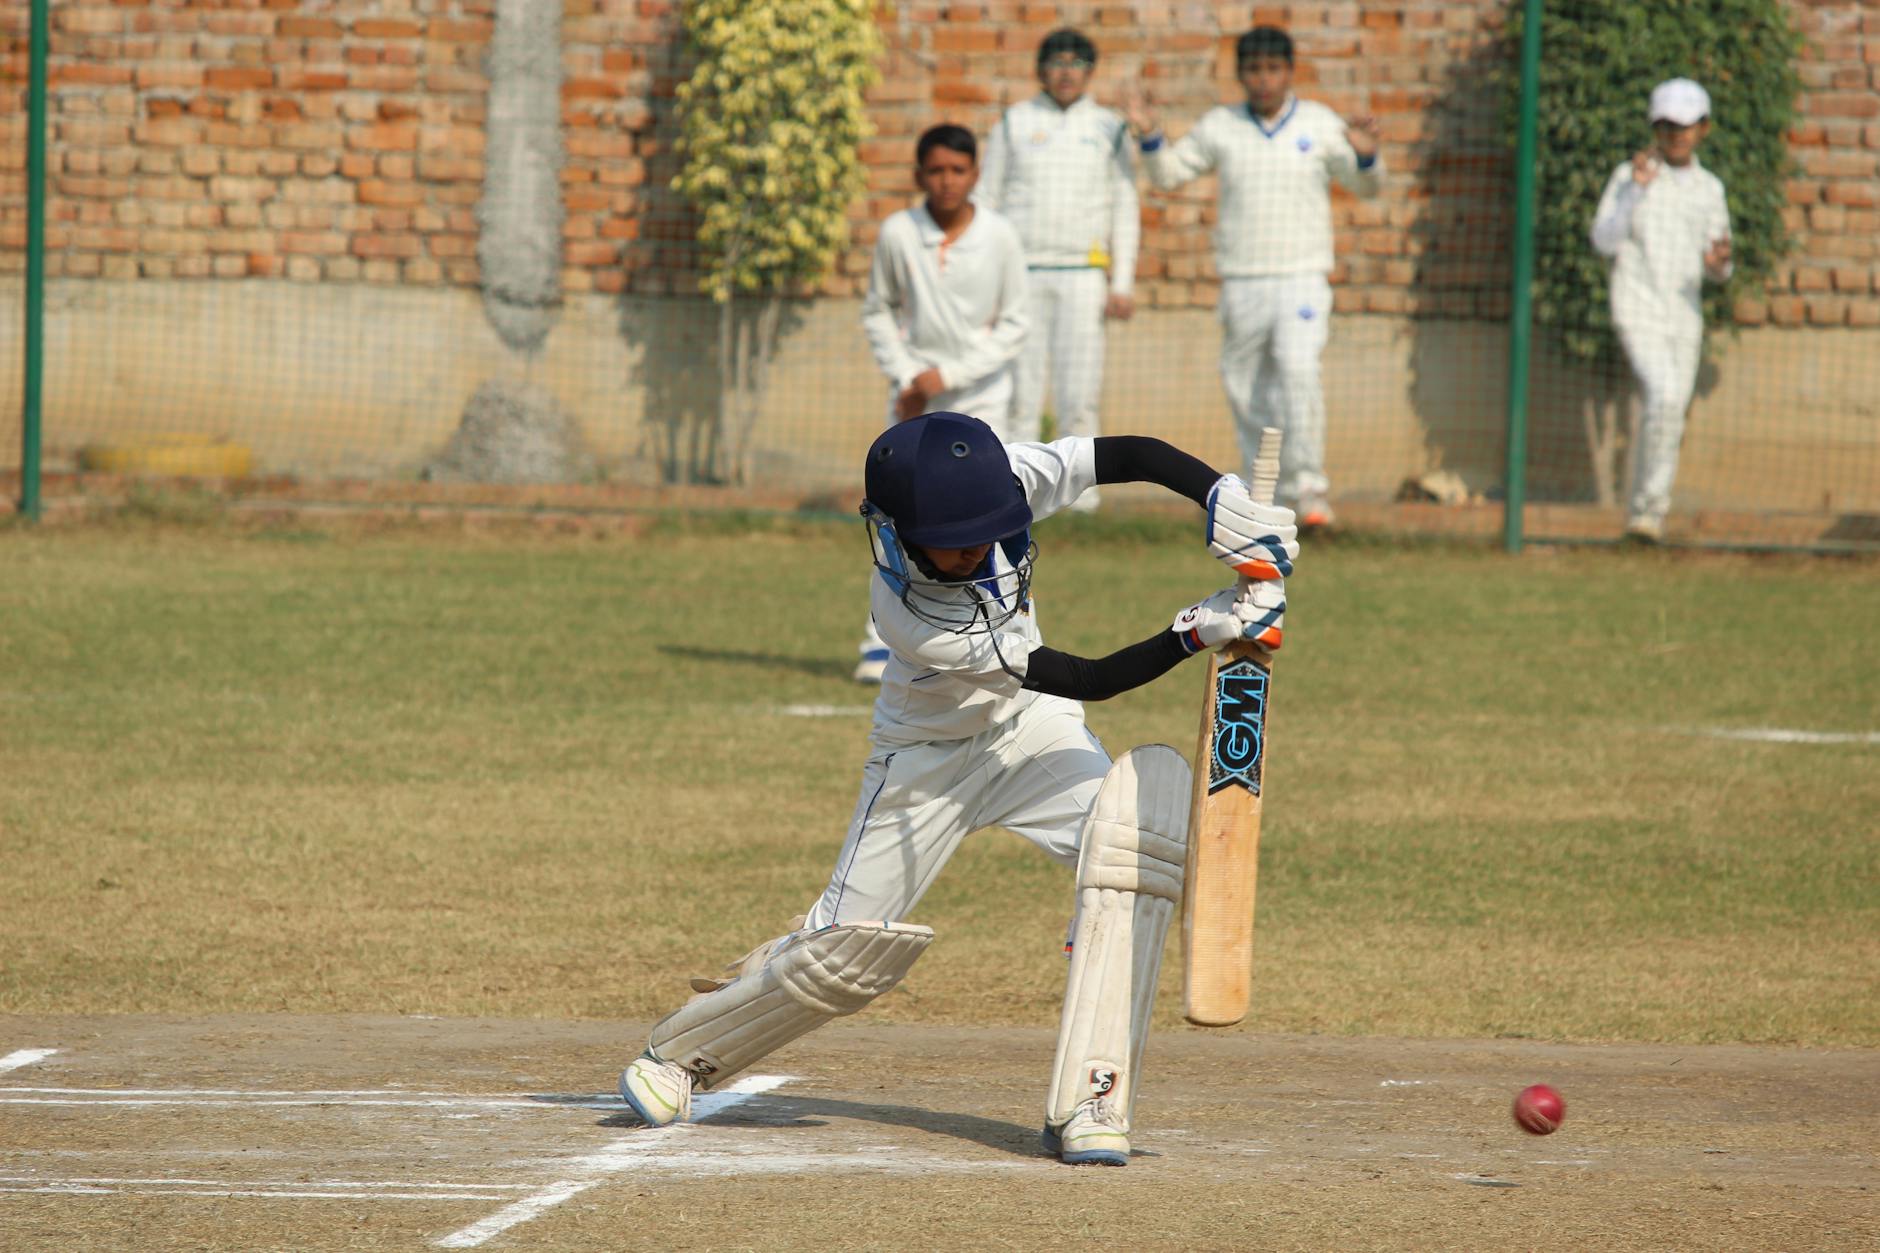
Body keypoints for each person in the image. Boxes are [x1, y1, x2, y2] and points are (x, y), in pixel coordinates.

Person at [619, 411, 1300, 1167]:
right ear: (902, 534)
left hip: (1033, 730)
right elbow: (1091, 678)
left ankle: (1093, 1098)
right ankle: (678, 1053)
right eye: (955, 539)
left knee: (1134, 858)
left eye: (986, 529)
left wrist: (1220, 499)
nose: (976, 547)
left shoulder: (1000, 479)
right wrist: (1195, 629)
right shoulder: (911, 615)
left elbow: (1129, 454)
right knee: (838, 957)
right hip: (924, 766)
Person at [1121, 25, 1382, 532]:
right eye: (1255, 70)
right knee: (1244, 384)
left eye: (1274, 70)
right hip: (1242, 276)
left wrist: (1368, 153)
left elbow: (1365, 186)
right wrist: (1151, 134)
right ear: (1241, 74)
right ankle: (1260, 494)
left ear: (1289, 72)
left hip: (1303, 275)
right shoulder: (1222, 124)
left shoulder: (1320, 123)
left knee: (1297, 369)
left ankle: (1310, 489)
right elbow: (1170, 173)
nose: (1264, 81)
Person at [853, 124, 1031, 683]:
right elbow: (878, 310)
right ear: (918, 175)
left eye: (958, 170)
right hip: (913, 407)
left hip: (983, 399)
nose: (947, 181)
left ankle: (1002, 630)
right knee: (900, 520)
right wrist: (910, 376)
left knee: (989, 518)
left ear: (975, 174)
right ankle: (881, 641)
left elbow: (1016, 324)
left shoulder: (999, 235)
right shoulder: (898, 233)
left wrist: (946, 374)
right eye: (935, 171)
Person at [978, 28, 1140, 511]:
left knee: (1080, 387)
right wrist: (988, 282)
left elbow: (1124, 206)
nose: (1066, 72)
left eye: (1076, 62)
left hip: (1084, 272)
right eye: (1057, 62)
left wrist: (1123, 280)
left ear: (1090, 71)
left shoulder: (1110, 127)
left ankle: (1079, 500)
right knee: (1022, 393)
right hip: (1023, 272)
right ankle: (1017, 492)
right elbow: (986, 200)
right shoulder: (1015, 122)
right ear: (1040, 69)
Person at [1590, 77, 1733, 545]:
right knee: (1665, 394)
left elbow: (1719, 268)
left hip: (1684, 313)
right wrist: (1635, 189)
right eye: (1666, 125)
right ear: (1654, 127)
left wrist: (1720, 266)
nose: (1675, 134)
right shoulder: (1627, 177)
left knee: (1671, 408)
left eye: (1685, 126)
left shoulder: (1711, 188)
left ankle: (1649, 514)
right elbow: (1604, 241)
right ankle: (1647, 511)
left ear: (1703, 129)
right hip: (1636, 304)